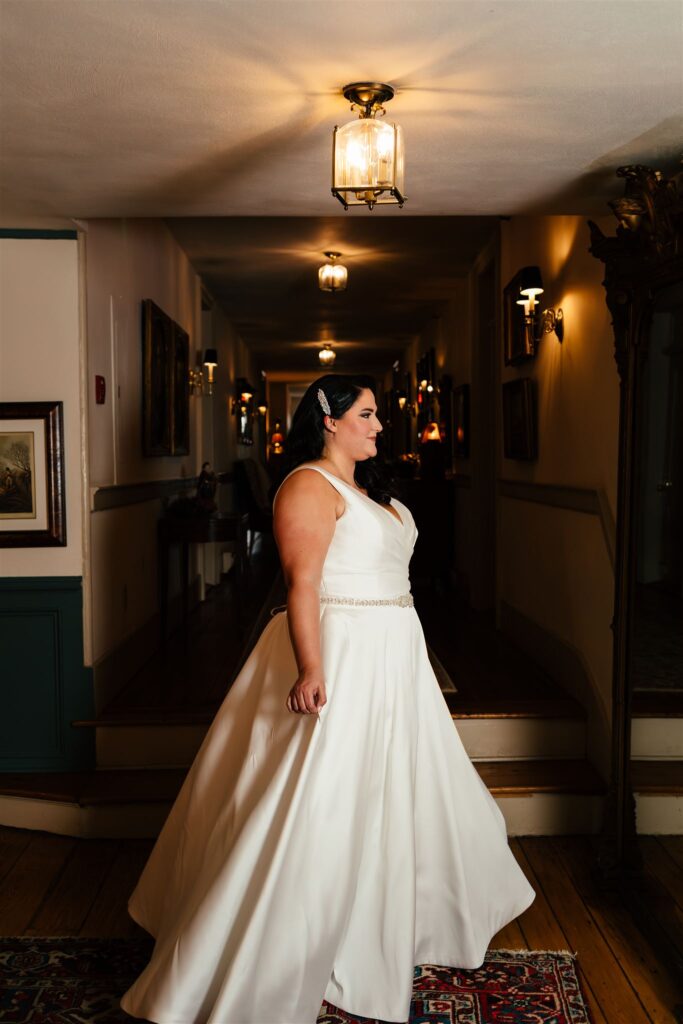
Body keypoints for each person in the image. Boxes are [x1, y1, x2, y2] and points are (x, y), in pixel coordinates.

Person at [120, 373, 536, 1024]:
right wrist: (312, 668)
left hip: (393, 655)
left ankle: (375, 924)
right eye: (367, 415)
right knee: (324, 798)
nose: (378, 425)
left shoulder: (368, 490)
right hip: (345, 653)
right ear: (330, 421)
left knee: (391, 790)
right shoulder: (307, 486)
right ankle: (283, 944)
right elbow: (301, 583)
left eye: (375, 416)